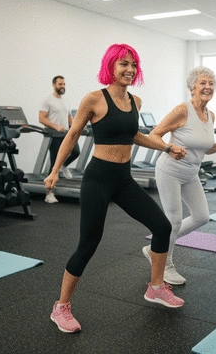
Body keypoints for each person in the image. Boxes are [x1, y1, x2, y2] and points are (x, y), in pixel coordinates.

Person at [44, 43, 186, 334]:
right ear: (110, 66)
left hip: (123, 178)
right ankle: (61, 307)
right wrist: (55, 170)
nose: (129, 70)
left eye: (133, 65)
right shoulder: (94, 99)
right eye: (123, 64)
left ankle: (156, 287)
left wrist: (166, 146)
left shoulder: (136, 101)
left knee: (162, 226)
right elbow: (72, 135)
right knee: (89, 243)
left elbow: (134, 135)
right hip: (98, 178)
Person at [142, 66, 216, 285]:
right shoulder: (182, 110)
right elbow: (154, 135)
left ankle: (155, 246)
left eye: (211, 84)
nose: (208, 87)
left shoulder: (210, 115)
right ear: (192, 87)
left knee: (201, 216)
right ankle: (166, 264)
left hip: (191, 173)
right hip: (169, 171)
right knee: (173, 220)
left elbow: (204, 148)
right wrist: (168, 148)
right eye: (203, 83)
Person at [39, 75, 80, 203]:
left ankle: (64, 165)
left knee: (76, 152)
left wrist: (74, 127)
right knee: (53, 165)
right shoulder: (47, 100)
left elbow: (69, 116)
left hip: (66, 134)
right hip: (54, 135)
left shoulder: (65, 100)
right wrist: (56, 127)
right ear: (54, 85)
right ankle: (49, 193)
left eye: (64, 84)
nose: (62, 86)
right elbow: (42, 118)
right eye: (60, 84)